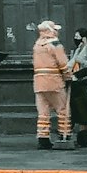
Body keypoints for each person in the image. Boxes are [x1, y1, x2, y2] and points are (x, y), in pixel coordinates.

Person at [32, 20, 72, 149]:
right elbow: (63, 63)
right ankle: (64, 133)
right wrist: (68, 76)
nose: (57, 31)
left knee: (43, 112)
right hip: (54, 81)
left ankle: (43, 138)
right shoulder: (55, 44)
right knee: (62, 109)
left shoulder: (37, 45)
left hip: (39, 82)